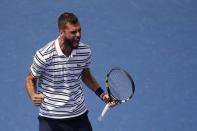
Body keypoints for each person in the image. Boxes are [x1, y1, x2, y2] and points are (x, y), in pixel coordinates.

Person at [25, 12, 117, 131]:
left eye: (79, 30)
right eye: (73, 32)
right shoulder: (44, 55)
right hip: (50, 119)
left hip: (78, 117)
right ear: (61, 32)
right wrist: (33, 95)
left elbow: (86, 76)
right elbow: (30, 78)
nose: (78, 35)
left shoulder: (85, 51)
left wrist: (102, 95)